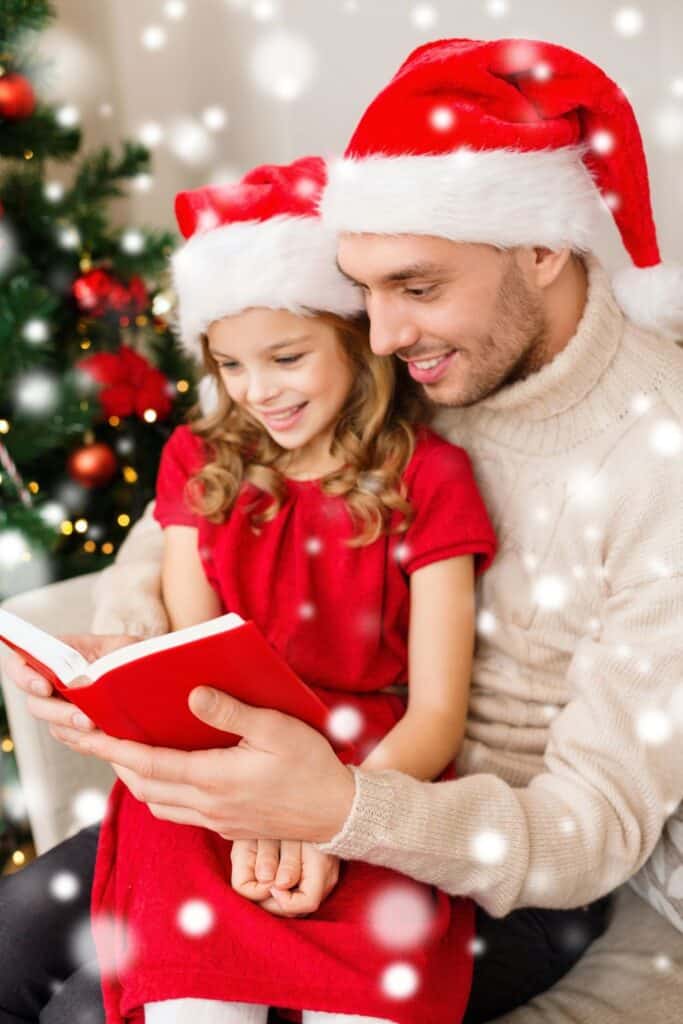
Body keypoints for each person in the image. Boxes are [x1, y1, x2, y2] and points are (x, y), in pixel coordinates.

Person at [2, 35, 682, 1024]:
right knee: (15, 930)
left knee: (95, 1008)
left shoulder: (656, 463)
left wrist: (334, 815)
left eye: (414, 287)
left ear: (540, 248)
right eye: (361, 291)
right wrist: (140, 654)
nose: (380, 335)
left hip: (485, 853)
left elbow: (590, 828)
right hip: (288, 762)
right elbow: (197, 506)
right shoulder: (408, 357)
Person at [5, 154, 500, 1024]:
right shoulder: (199, 464)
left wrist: (333, 818)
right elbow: (193, 680)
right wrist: (249, 810)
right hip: (214, 775)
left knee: (365, 1000)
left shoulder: (433, 477)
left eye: (286, 356)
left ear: (354, 338)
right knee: (193, 1004)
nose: (257, 390)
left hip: (369, 770)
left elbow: (433, 716)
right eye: (231, 365)